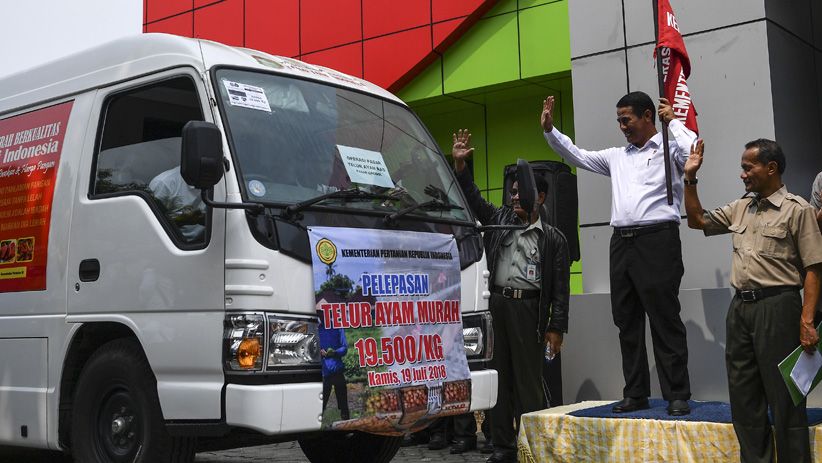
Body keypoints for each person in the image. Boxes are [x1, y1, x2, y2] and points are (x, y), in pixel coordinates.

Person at [541, 91, 694, 416]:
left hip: (658, 239)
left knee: (664, 318)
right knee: (626, 320)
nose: (622, 126)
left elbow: (693, 150)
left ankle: (678, 394)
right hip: (621, 243)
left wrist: (674, 123)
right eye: (619, 120)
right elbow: (578, 155)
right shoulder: (617, 156)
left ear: (648, 116)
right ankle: (635, 393)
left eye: (627, 119)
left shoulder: (670, 148)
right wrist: (551, 131)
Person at [683, 138, 822, 462]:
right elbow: (697, 220)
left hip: (779, 307)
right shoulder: (740, 207)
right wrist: (690, 178)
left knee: (785, 401)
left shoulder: (797, 209)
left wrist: (806, 320)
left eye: (748, 167)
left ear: (771, 168)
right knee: (745, 400)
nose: (743, 174)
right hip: (740, 310)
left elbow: (814, 268)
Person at [452, 129, 570, 463]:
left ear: (541, 198)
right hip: (498, 307)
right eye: (513, 192)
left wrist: (555, 328)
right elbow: (472, 198)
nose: (515, 197)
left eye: (522, 193)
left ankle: (530, 448)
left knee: (528, 385)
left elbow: (561, 289)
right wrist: (463, 167)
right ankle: (503, 447)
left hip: (528, 312)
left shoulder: (553, 239)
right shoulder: (500, 219)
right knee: (499, 381)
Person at [148, 166, 206, 242]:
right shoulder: (164, 184)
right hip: (172, 243)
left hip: (210, 240)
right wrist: (183, 219)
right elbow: (151, 224)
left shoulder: (222, 181)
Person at [319, 323, 350, 420]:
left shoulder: (337, 326)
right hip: (323, 372)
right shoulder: (315, 327)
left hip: (337, 370)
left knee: (343, 406)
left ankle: (346, 423)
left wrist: (335, 352)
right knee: (320, 404)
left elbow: (344, 347)